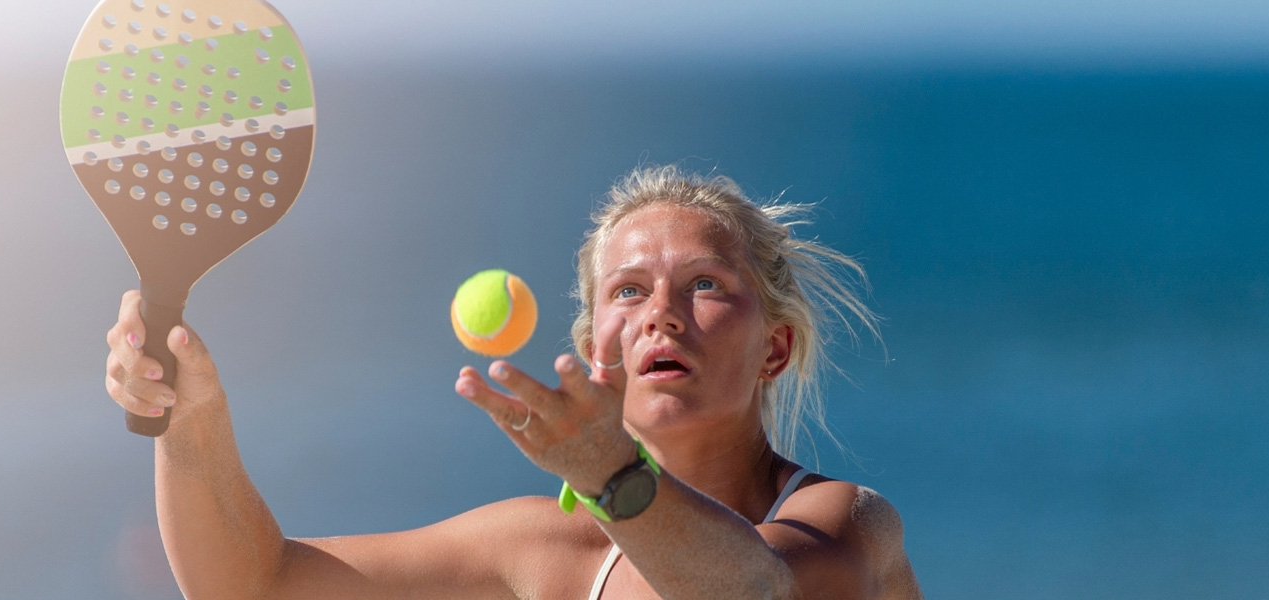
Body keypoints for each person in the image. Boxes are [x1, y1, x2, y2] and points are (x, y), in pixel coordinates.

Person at [104, 165, 923, 599]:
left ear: (774, 349)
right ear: (595, 349)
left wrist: (610, 472)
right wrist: (189, 419)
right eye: (628, 291)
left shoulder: (842, 524)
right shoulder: (544, 552)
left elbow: (755, 594)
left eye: (705, 284)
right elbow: (253, 584)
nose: (661, 315)